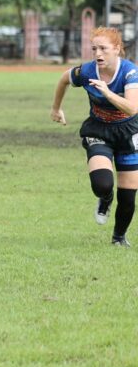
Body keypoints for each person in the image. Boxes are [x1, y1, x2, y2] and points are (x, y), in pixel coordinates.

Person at [51, 26, 138, 246]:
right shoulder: (87, 71)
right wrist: (56, 109)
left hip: (128, 133)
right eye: (94, 49)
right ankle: (105, 199)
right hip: (98, 130)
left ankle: (118, 238)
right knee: (102, 184)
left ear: (117, 49)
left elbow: (132, 108)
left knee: (128, 197)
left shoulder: (130, 72)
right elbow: (63, 79)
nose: (98, 53)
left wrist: (107, 92)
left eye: (103, 48)